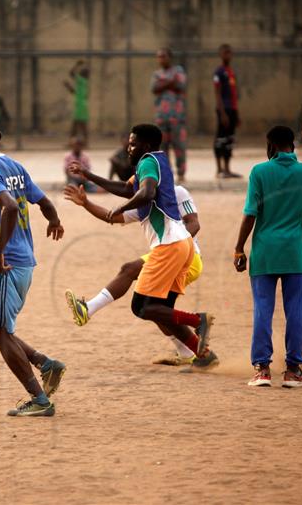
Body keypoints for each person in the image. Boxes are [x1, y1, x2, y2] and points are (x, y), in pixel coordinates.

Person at [65, 124, 217, 370]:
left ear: (146, 146)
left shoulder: (147, 162)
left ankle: (198, 321)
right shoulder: (155, 163)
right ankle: (200, 352)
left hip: (171, 244)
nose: (128, 147)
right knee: (158, 309)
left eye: (133, 143)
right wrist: (88, 177)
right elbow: (128, 190)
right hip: (180, 244)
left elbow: (145, 192)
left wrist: (121, 208)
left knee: (142, 306)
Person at [0, 116, 67, 417]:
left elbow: (10, 207)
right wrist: (54, 220)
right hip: (19, 261)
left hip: (7, 264)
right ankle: (45, 364)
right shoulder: (15, 166)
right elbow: (44, 202)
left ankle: (40, 400)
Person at [63, 181, 204, 366]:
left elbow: (194, 224)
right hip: (167, 256)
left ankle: (88, 309)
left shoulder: (177, 192)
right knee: (155, 308)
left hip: (187, 257)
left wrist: (176, 244)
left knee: (129, 271)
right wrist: (86, 202)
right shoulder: (144, 204)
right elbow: (110, 217)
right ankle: (189, 352)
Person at [233, 126, 302, 388]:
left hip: (264, 252)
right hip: (294, 252)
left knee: (263, 309)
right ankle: (293, 370)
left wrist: (239, 247)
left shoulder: (259, 172)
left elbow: (251, 213)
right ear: (292, 145)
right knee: (296, 310)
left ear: (270, 147)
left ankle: (262, 369)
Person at [151, 48, 188, 183]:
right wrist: (169, 82)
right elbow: (154, 88)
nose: (161, 59)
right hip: (161, 117)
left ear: (170, 57)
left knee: (179, 146)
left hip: (177, 116)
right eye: (159, 57)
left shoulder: (178, 71)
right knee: (162, 147)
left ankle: (181, 173)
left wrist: (163, 83)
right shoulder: (156, 74)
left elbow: (180, 85)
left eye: (163, 56)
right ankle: (167, 175)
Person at [213, 44, 241, 178]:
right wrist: (222, 112)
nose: (227, 55)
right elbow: (217, 94)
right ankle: (219, 169)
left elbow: (234, 95)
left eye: (229, 53)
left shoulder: (231, 72)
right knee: (221, 139)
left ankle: (227, 169)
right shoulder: (219, 72)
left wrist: (237, 114)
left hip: (232, 109)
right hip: (224, 109)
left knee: (230, 139)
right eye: (225, 53)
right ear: (220, 55)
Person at [63, 61, 89, 145]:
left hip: (80, 106)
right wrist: (68, 86)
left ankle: (72, 142)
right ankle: (84, 142)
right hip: (81, 106)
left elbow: (71, 73)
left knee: (77, 125)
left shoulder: (81, 81)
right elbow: (74, 92)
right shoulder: (82, 83)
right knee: (80, 125)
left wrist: (77, 65)